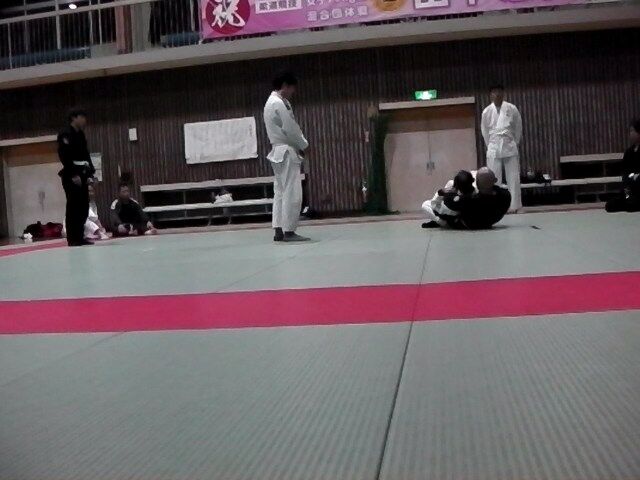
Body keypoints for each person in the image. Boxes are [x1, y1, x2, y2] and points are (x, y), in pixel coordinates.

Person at [263, 72, 310, 242]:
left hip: (277, 151)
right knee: (292, 191)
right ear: (285, 85)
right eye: (292, 88)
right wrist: (304, 145)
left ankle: (278, 229)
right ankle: (289, 230)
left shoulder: (270, 102)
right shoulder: (279, 103)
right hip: (286, 150)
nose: (293, 92)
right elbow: (290, 128)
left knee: (280, 191)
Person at [481, 85, 523, 213]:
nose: (497, 95)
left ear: (503, 94)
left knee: (513, 177)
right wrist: (490, 145)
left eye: (499, 92)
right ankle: (496, 206)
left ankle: (515, 206)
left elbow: (518, 127)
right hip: (494, 146)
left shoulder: (512, 108)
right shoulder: (487, 111)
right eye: (494, 92)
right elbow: (484, 131)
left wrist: (514, 142)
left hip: (509, 144)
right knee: (493, 178)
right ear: (490, 95)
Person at [57, 108, 95, 247]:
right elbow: (64, 155)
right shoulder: (65, 134)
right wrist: (73, 174)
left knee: (83, 206)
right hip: (71, 174)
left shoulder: (80, 134)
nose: (85, 120)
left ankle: (80, 236)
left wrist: (90, 174)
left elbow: (86, 155)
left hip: (83, 173)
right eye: (82, 117)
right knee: (73, 206)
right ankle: (72, 238)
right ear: (74, 118)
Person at [605, 119, 640, 213]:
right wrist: (628, 195)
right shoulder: (629, 152)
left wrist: (635, 175)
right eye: (630, 131)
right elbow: (625, 173)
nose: (630, 133)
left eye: (633, 131)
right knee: (610, 206)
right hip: (630, 186)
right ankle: (630, 200)